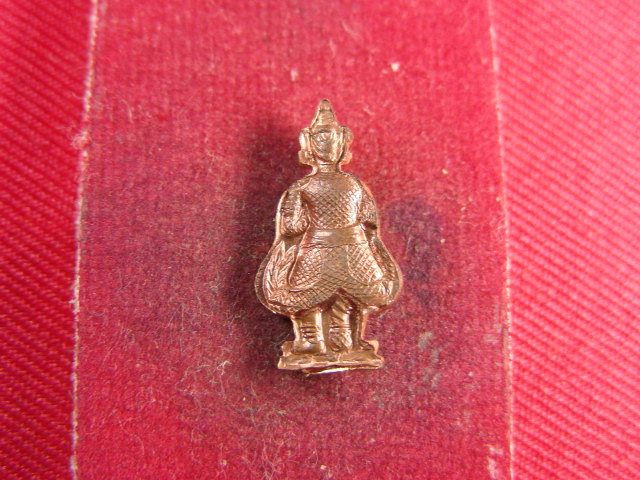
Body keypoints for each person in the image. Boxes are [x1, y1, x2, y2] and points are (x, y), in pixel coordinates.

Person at [256, 99, 401, 372]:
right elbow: (369, 220)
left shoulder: (303, 187)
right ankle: (340, 343)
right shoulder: (353, 184)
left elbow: (292, 229)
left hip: (319, 250)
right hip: (353, 250)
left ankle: (316, 343)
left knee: (312, 299)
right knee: (342, 301)